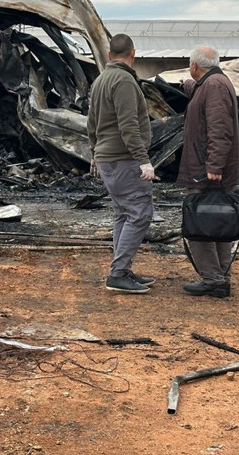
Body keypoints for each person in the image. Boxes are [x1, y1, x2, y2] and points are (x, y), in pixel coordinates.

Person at [87, 33, 157, 294]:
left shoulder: (100, 80)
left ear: (109, 55)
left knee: (123, 213)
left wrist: (95, 152)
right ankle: (117, 274)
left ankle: (122, 269)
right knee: (140, 213)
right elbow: (128, 126)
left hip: (108, 158)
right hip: (123, 158)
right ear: (133, 54)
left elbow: (91, 123)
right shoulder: (124, 81)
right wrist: (144, 161)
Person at [177, 45, 239, 298]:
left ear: (195, 65)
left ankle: (213, 279)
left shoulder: (213, 86)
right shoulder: (213, 83)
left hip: (207, 172)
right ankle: (220, 277)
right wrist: (191, 87)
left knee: (200, 224)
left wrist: (214, 165)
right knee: (219, 222)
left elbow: (218, 127)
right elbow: (208, 107)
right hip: (211, 169)